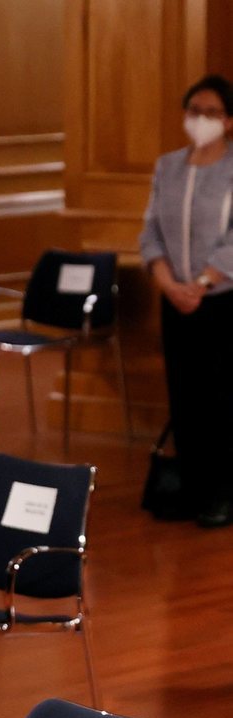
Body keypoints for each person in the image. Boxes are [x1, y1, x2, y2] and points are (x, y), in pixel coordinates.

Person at [140, 73, 233, 528]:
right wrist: (168, 283)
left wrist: (200, 282)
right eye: (194, 110)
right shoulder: (168, 166)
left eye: (212, 112)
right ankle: (192, 488)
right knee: (184, 394)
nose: (201, 120)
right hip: (175, 298)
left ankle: (222, 493)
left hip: (220, 299)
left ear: (229, 120)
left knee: (220, 397)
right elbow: (151, 231)